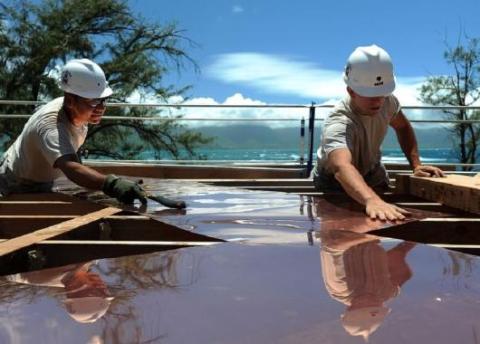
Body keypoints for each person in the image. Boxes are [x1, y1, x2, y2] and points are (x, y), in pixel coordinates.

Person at [0, 58, 182, 207]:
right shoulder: (50, 125)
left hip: (41, 180)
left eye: (104, 100)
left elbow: (72, 155)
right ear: (71, 100)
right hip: (16, 185)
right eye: (95, 102)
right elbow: (71, 167)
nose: (102, 108)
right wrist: (112, 184)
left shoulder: (78, 112)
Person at [312, 45, 444, 221]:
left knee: (387, 223)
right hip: (334, 184)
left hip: (372, 174)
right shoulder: (339, 122)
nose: (379, 101)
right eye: (370, 94)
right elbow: (341, 167)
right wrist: (371, 200)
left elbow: (403, 127)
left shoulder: (387, 102)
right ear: (351, 91)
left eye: (383, 93)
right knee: (345, 234)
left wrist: (416, 165)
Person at [318, 228, 415, 341]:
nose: (377, 302)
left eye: (369, 305)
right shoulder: (386, 294)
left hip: (341, 225)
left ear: (350, 308)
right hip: (373, 227)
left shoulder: (340, 287)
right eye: (378, 307)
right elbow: (401, 267)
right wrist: (412, 240)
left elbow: (331, 247)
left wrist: (370, 236)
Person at [5, 261, 113, 323]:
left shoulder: (37, 275)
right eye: (104, 291)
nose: (102, 285)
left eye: (99, 292)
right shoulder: (89, 263)